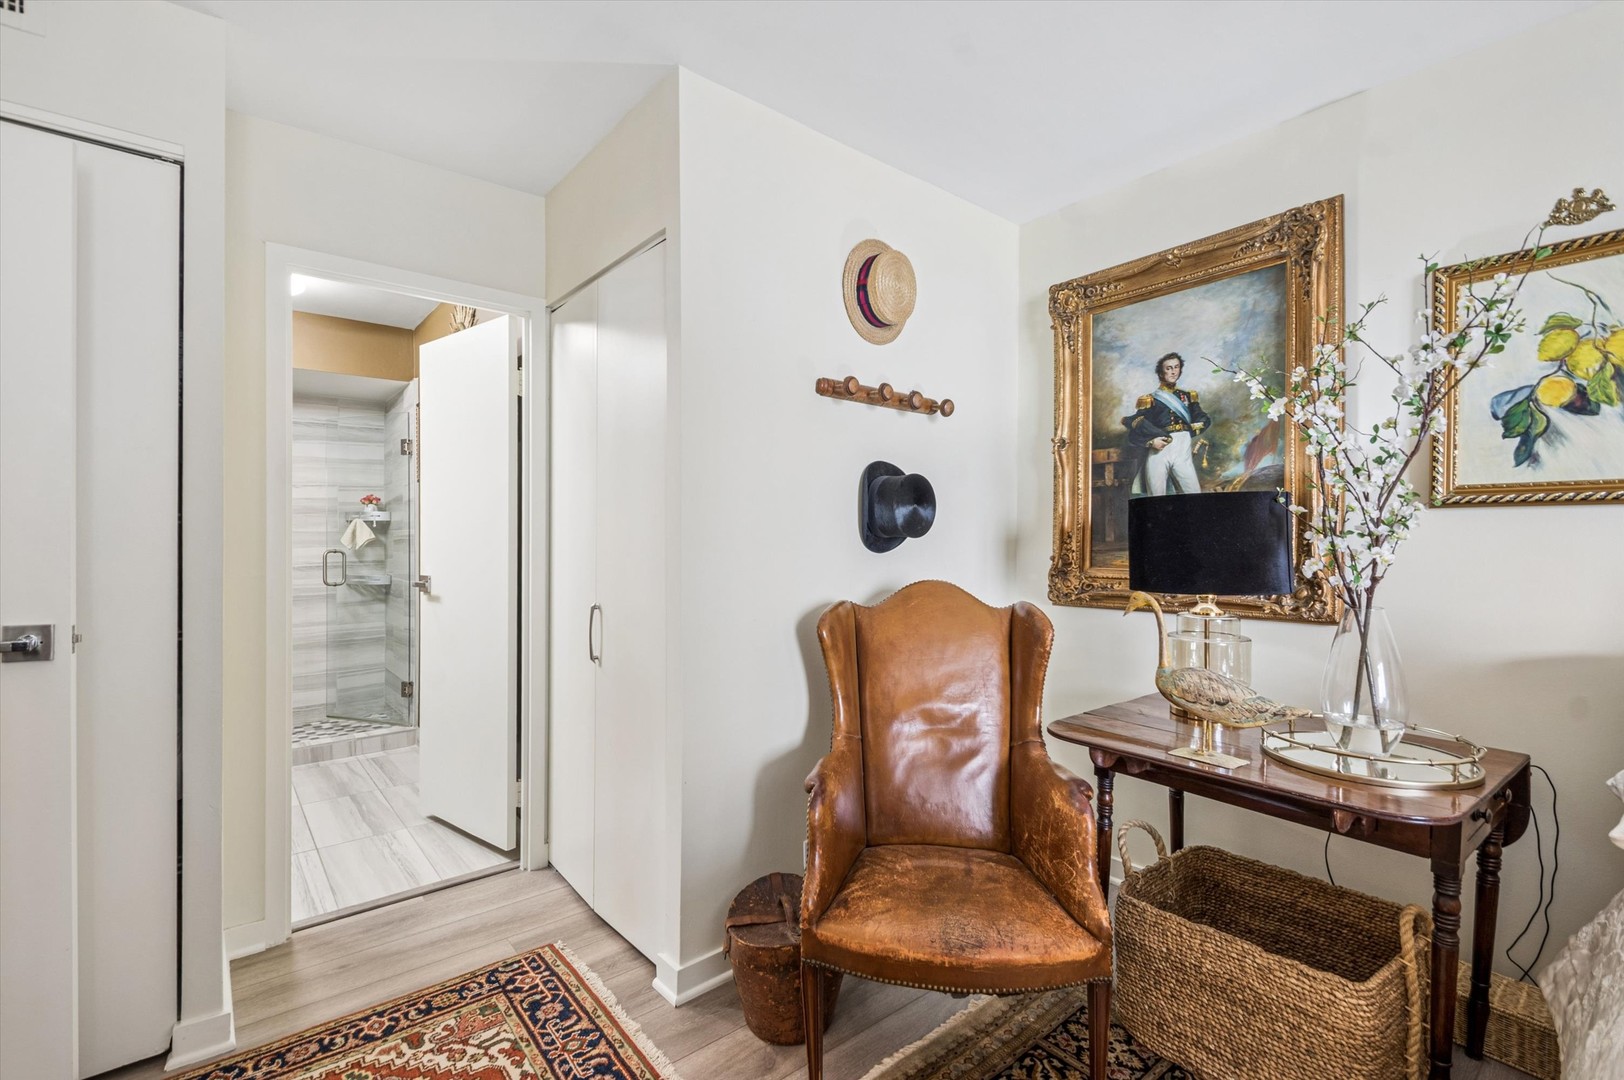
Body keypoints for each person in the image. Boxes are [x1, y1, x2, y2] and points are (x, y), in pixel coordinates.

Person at [1121, 352, 1211, 496]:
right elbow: (1135, 429)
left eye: (1176, 367)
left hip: (1182, 448)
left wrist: (1190, 431)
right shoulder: (1151, 399)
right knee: (1156, 496)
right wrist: (1151, 442)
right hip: (1159, 449)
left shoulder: (1188, 396)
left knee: (1193, 493)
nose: (1173, 371)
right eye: (1168, 368)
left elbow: (1203, 418)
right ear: (1161, 373)